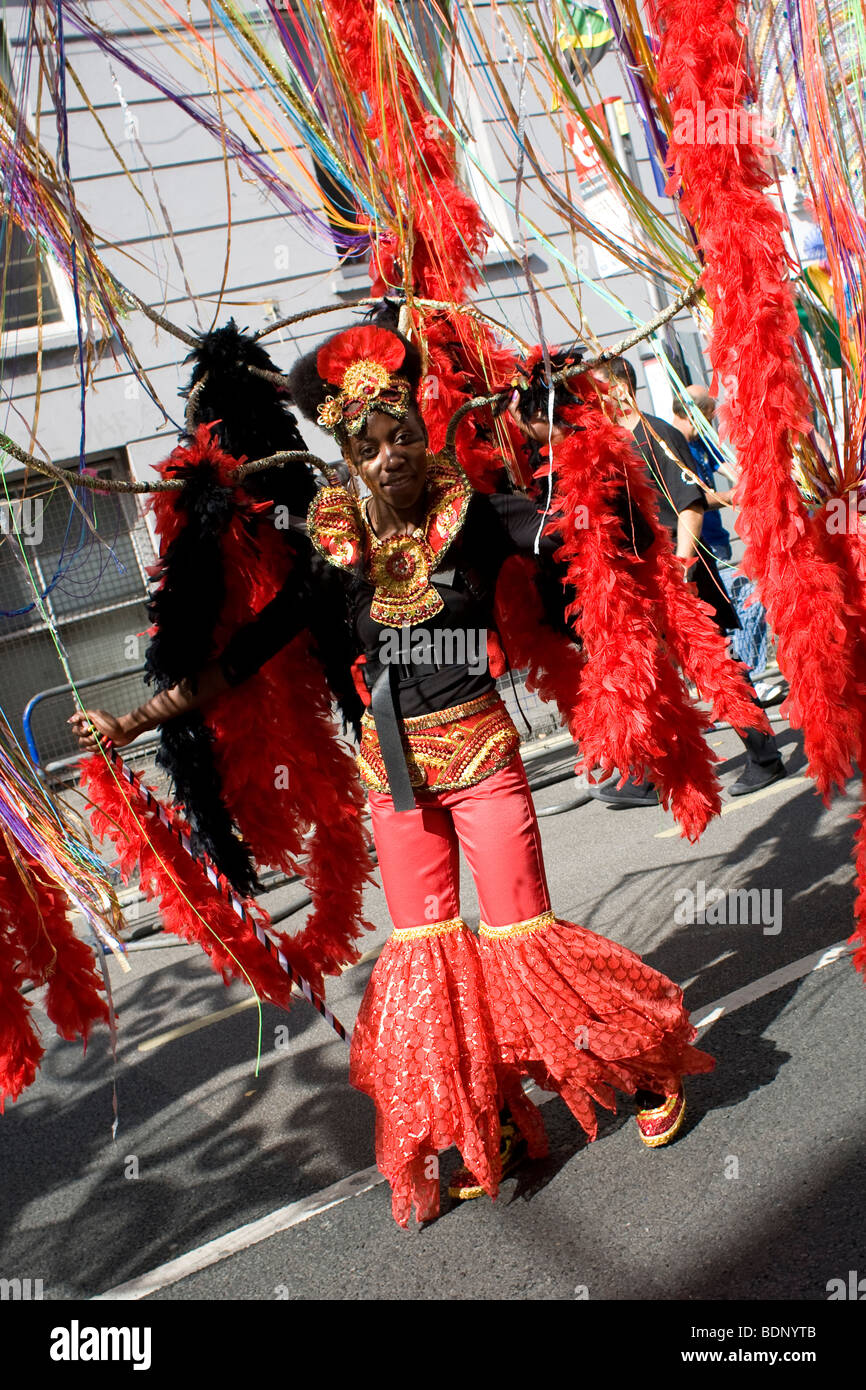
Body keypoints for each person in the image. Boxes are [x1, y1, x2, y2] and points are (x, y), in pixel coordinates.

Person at [72, 322, 713, 1227]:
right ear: (348, 458)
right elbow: (242, 658)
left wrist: (599, 488)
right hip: (393, 776)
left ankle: (643, 1063)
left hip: (483, 757)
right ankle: (477, 1115)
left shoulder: (472, 518)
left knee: (521, 934)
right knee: (426, 961)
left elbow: (558, 560)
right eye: (369, 446)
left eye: (403, 435)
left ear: (422, 431)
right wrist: (129, 722)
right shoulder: (333, 554)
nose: (392, 457)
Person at [586, 358, 785, 804]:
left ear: (620, 388)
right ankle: (648, 774)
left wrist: (681, 564)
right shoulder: (616, 444)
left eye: (595, 388)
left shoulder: (655, 435)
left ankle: (765, 757)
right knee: (649, 672)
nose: (589, 399)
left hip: (679, 572)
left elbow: (688, 505)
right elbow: (687, 497)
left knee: (716, 666)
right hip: (647, 575)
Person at [672, 387, 782, 703]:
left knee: (728, 618)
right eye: (706, 419)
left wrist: (753, 483)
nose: (707, 426)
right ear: (696, 414)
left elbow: (731, 471)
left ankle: (742, 682)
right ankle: (736, 686)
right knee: (715, 623)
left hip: (717, 544)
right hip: (697, 549)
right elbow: (692, 502)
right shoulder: (675, 446)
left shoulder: (699, 441)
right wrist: (733, 497)